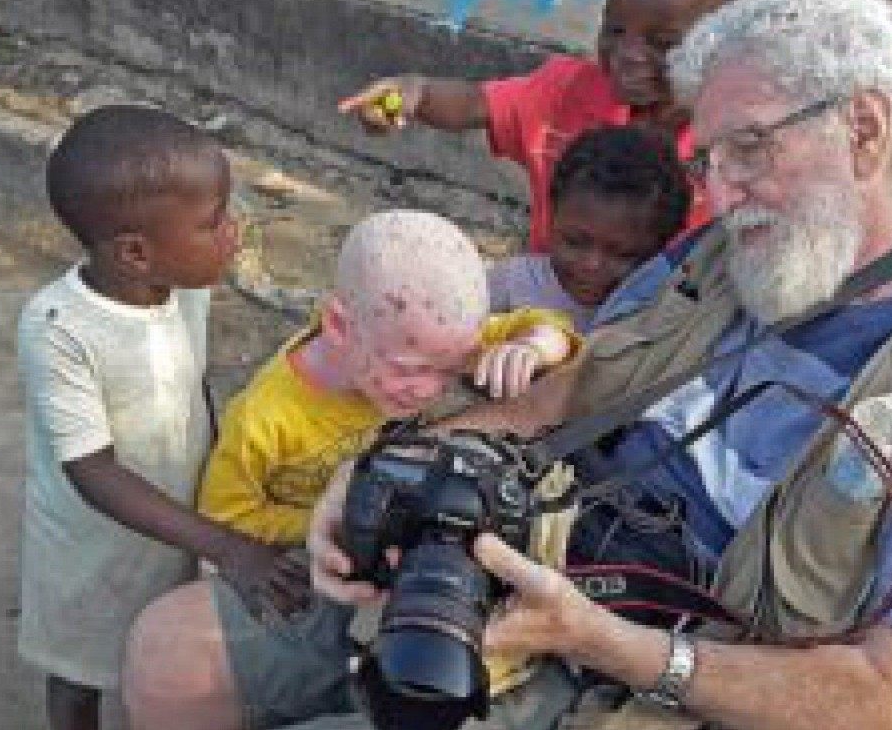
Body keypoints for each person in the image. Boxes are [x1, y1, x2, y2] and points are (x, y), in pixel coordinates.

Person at [306, 0, 892, 729]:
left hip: (665, 683)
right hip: (531, 561)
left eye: (750, 150)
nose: (721, 195)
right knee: (200, 650)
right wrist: (396, 459)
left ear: (864, 129)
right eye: (710, 159)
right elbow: (561, 398)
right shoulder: (736, 249)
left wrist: (606, 643)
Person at [123, 210, 578, 730]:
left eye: (449, 371)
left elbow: (555, 329)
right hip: (311, 561)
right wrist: (351, 517)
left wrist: (533, 346)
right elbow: (226, 515)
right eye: (411, 372)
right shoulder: (265, 419)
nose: (430, 390)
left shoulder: (420, 337)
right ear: (339, 325)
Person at [16, 105, 288, 730]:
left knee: (159, 654)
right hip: (90, 551)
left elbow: (192, 392)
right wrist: (228, 546)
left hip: (178, 525)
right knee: (79, 673)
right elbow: (91, 471)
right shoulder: (60, 329)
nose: (233, 232)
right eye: (213, 223)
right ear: (137, 253)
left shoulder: (182, 285)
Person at [339, 0, 752, 252]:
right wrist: (415, 92)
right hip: (549, 307)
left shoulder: (739, 142)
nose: (628, 56)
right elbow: (477, 104)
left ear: (726, 41)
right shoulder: (567, 92)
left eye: (662, 43)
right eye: (614, 30)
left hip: (656, 342)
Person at [487, 124, 692, 332]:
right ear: (551, 217)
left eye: (622, 254)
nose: (591, 264)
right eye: (574, 242)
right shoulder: (512, 285)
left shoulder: (655, 317)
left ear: (658, 251)